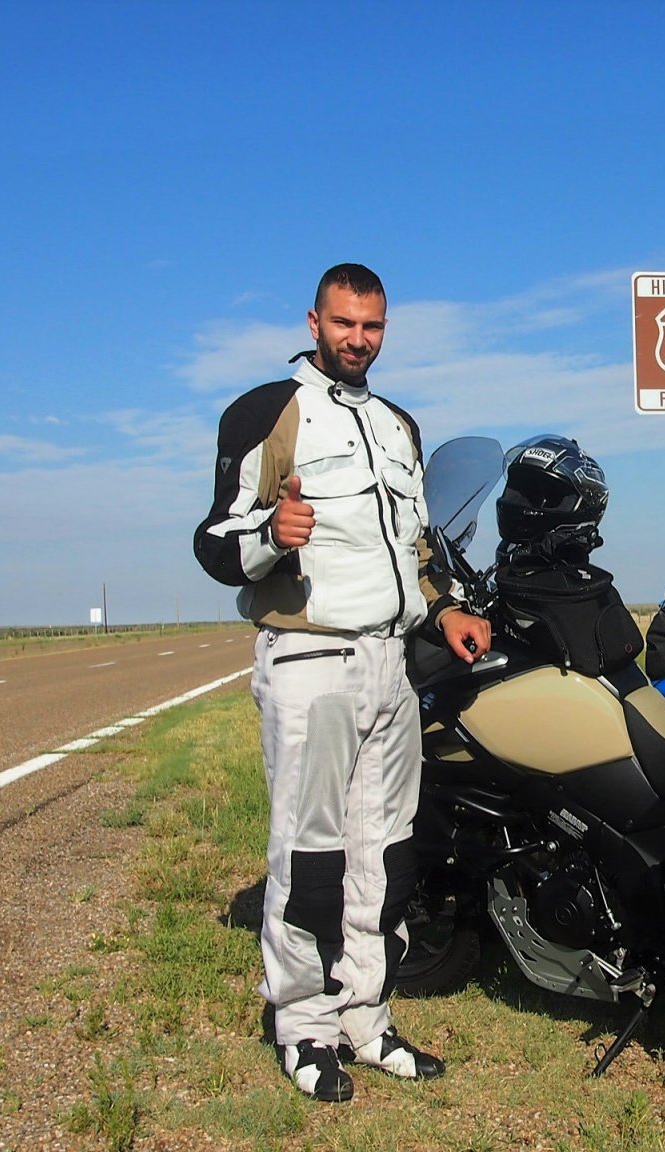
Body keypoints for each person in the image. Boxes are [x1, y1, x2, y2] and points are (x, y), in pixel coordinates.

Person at [194, 263, 491, 1103]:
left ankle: (367, 1017)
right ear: (314, 322)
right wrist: (272, 533)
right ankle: (303, 1028)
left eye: (372, 326)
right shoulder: (268, 411)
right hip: (310, 660)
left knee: (386, 855)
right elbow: (215, 540)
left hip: (391, 665)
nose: (358, 340)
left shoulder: (399, 425)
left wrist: (447, 611)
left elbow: (416, 546)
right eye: (344, 323)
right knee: (312, 856)